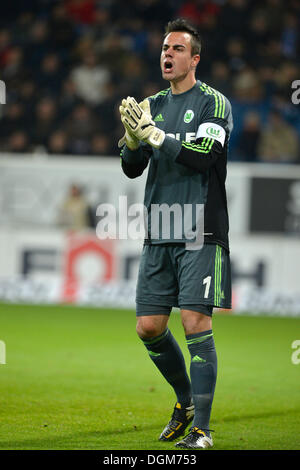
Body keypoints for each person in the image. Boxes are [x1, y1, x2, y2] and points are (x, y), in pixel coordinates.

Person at [118, 18, 233, 450]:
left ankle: (202, 433)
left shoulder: (213, 104)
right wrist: (133, 139)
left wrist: (156, 135)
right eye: (165, 48)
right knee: (148, 327)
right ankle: (184, 402)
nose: (167, 54)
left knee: (193, 321)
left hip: (200, 230)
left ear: (195, 58)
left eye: (177, 49)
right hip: (159, 233)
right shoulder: (150, 105)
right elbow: (132, 169)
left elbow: (204, 157)